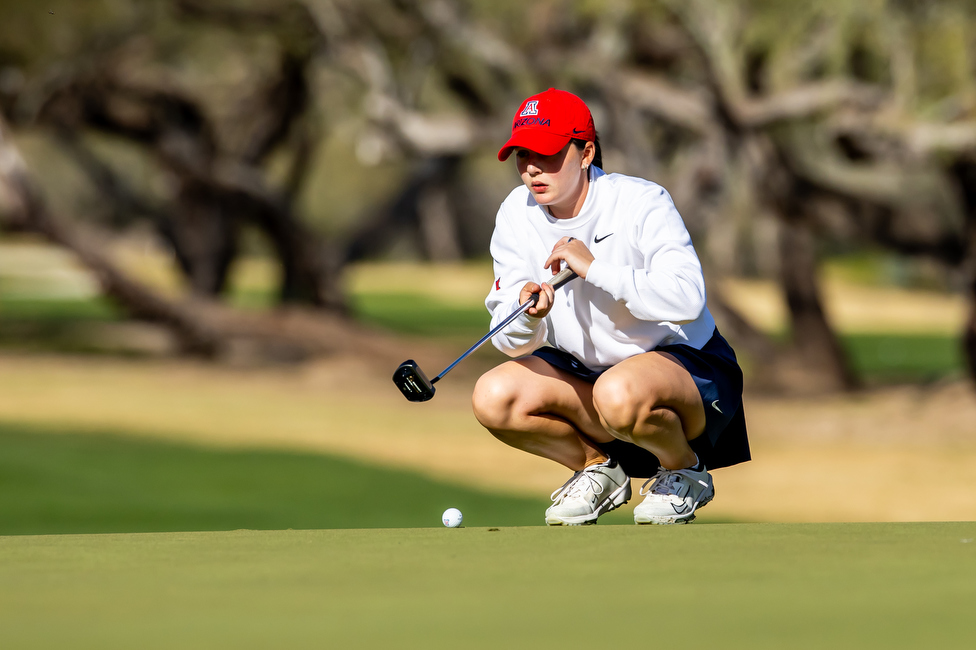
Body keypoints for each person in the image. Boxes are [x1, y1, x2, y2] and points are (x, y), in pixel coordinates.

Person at [471, 88, 750, 525]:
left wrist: (595, 269)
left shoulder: (640, 201)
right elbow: (509, 341)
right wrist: (527, 313)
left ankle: (684, 469)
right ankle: (597, 469)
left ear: (585, 153)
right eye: (523, 154)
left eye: (547, 153)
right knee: (493, 397)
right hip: (586, 375)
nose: (531, 168)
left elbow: (687, 297)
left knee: (616, 392)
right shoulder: (514, 213)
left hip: (684, 371)